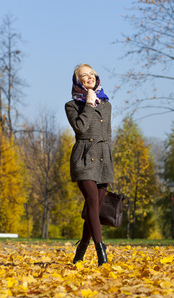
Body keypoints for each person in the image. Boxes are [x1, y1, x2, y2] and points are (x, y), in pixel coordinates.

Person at [64, 64, 114, 267]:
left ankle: (81, 250)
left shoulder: (107, 104)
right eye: (84, 75)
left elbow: (107, 135)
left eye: (91, 74)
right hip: (84, 158)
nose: (89, 77)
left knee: (95, 208)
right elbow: (81, 129)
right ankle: (101, 253)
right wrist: (88, 104)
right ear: (78, 81)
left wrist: (109, 160)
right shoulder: (72, 105)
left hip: (103, 160)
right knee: (92, 200)